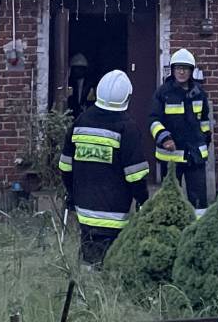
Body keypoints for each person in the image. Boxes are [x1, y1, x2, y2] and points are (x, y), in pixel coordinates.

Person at [59, 69, 150, 266]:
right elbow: (135, 175)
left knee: (89, 255)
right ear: (127, 97)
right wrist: (143, 199)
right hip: (114, 212)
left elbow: (65, 167)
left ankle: (86, 279)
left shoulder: (81, 121)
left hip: (84, 209)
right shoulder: (127, 127)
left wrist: (72, 194)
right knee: (111, 262)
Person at [148, 48, 212, 216]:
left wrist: (204, 140)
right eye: (178, 68)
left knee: (199, 201)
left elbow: (205, 121)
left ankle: (199, 227)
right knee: (170, 200)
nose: (181, 72)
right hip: (171, 157)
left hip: (195, 156)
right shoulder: (163, 93)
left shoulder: (199, 93)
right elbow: (153, 120)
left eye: (185, 68)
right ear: (173, 70)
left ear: (191, 71)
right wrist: (165, 138)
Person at [66, 52, 95, 118]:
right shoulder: (68, 83)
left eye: (80, 68)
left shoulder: (90, 84)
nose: (77, 71)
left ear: (85, 69)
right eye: (75, 68)